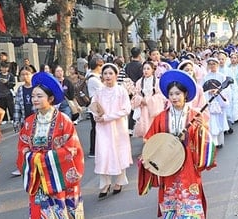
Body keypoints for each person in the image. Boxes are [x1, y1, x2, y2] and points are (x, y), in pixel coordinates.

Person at [139, 69, 217, 218]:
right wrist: (148, 156)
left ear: (185, 94)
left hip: (189, 164)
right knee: (170, 198)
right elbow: (149, 139)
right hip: (167, 165)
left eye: (178, 93)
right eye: (171, 94)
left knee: (190, 200)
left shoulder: (195, 115)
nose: (174, 97)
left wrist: (202, 128)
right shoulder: (161, 117)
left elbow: (205, 142)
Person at [16, 72, 85, 218]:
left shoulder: (63, 121)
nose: (34, 99)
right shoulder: (28, 123)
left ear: (51, 98)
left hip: (59, 177)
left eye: (39, 96)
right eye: (33, 96)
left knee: (62, 211)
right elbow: (22, 146)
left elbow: (72, 148)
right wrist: (32, 158)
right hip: (39, 178)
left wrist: (46, 158)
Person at [91, 63, 132, 199]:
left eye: (110, 73)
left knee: (118, 152)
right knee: (103, 153)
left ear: (115, 75)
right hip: (102, 128)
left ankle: (120, 181)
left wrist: (108, 117)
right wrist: (95, 115)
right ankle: (105, 183)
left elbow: (126, 109)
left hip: (118, 127)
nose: (108, 76)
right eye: (105, 73)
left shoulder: (121, 90)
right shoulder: (99, 91)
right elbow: (93, 106)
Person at [131, 61, 166, 138]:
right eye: (144, 69)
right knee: (144, 129)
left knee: (154, 129)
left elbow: (161, 96)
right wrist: (140, 99)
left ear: (153, 70)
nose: (145, 71)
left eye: (148, 69)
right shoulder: (139, 82)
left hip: (154, 109)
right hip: (143, 108)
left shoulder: (157, 82)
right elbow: (136, 95)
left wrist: (148, 100)